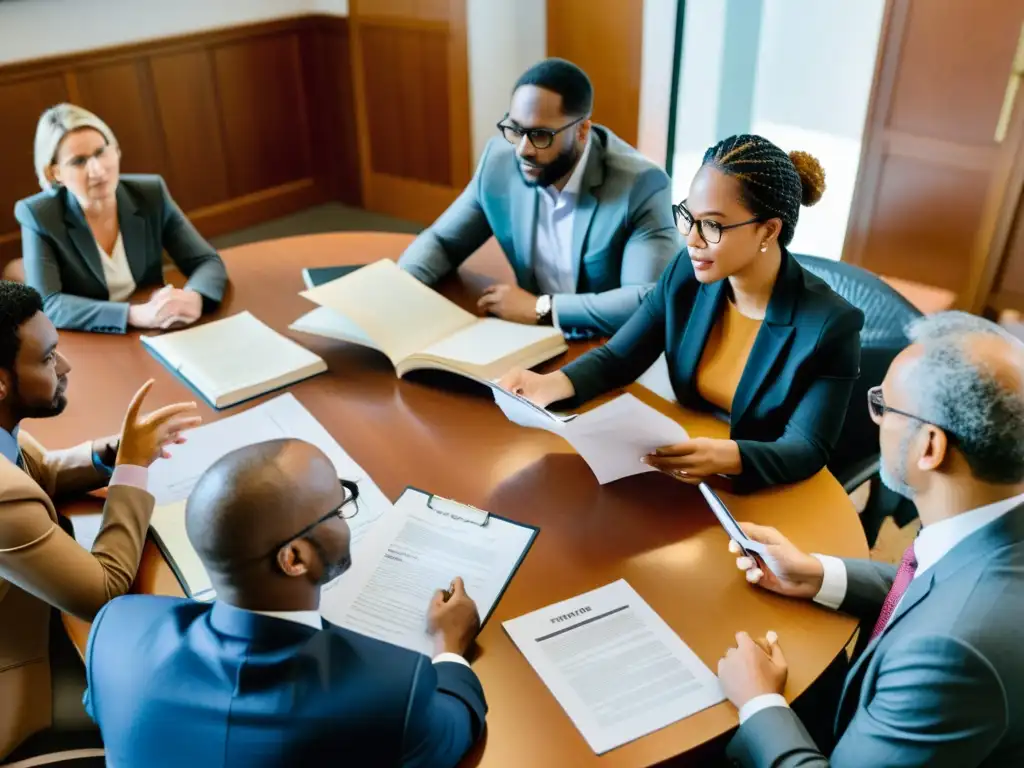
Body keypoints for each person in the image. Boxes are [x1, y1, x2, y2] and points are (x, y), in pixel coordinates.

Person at [717, 311, 1024, 767]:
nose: (876, 419)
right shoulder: (988, 521)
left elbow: (947, 618)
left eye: (884, 406)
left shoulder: (950, 652)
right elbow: (935, 587)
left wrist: (759, 703)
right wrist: (817, 574)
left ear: (930, 447)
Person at [84, 438, 488, 768]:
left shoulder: (117, 628)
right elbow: (455, 728)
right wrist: (449, 648)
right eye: (340, 507)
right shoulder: (391, 688)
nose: (347, 515)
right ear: (294, 559)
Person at [500, 134, 864, 493]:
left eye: (712, 226)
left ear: (768, 230)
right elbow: (619, 357)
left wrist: (730, 457)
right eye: (689, 217)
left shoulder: (830, 326)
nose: (691, 240)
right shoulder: (687, 274)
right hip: (683, 460)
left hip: (757, 487)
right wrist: (549, 384)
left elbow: (805, 447)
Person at [0, 281, 200, 762]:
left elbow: (36, 471)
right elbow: (104, 593)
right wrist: (133, 471)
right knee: (175, 705)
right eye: (48, 359)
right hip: (25, 674)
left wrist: (109, 455)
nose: (65, 367)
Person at [398, 58, 679, 336]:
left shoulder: (642, 185)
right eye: (516, 130)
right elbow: (443, 241)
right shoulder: (499, 164)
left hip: (607, 346)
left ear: (582, 131)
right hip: (529, 335)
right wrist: (397, 289)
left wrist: (543, 308)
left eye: (540, 135)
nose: (523, 149)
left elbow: (645, 301)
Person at [15, 103, 228, 334]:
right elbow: (49, 303)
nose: (97, 170)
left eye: (100, 152)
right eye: (79, 161)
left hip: (155, 330)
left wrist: (195, 297)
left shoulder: (150, 194)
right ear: (54, 173)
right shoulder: (38, 214)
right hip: (89, 339)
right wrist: (133, 314)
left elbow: (206, 261)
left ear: (115, 150)